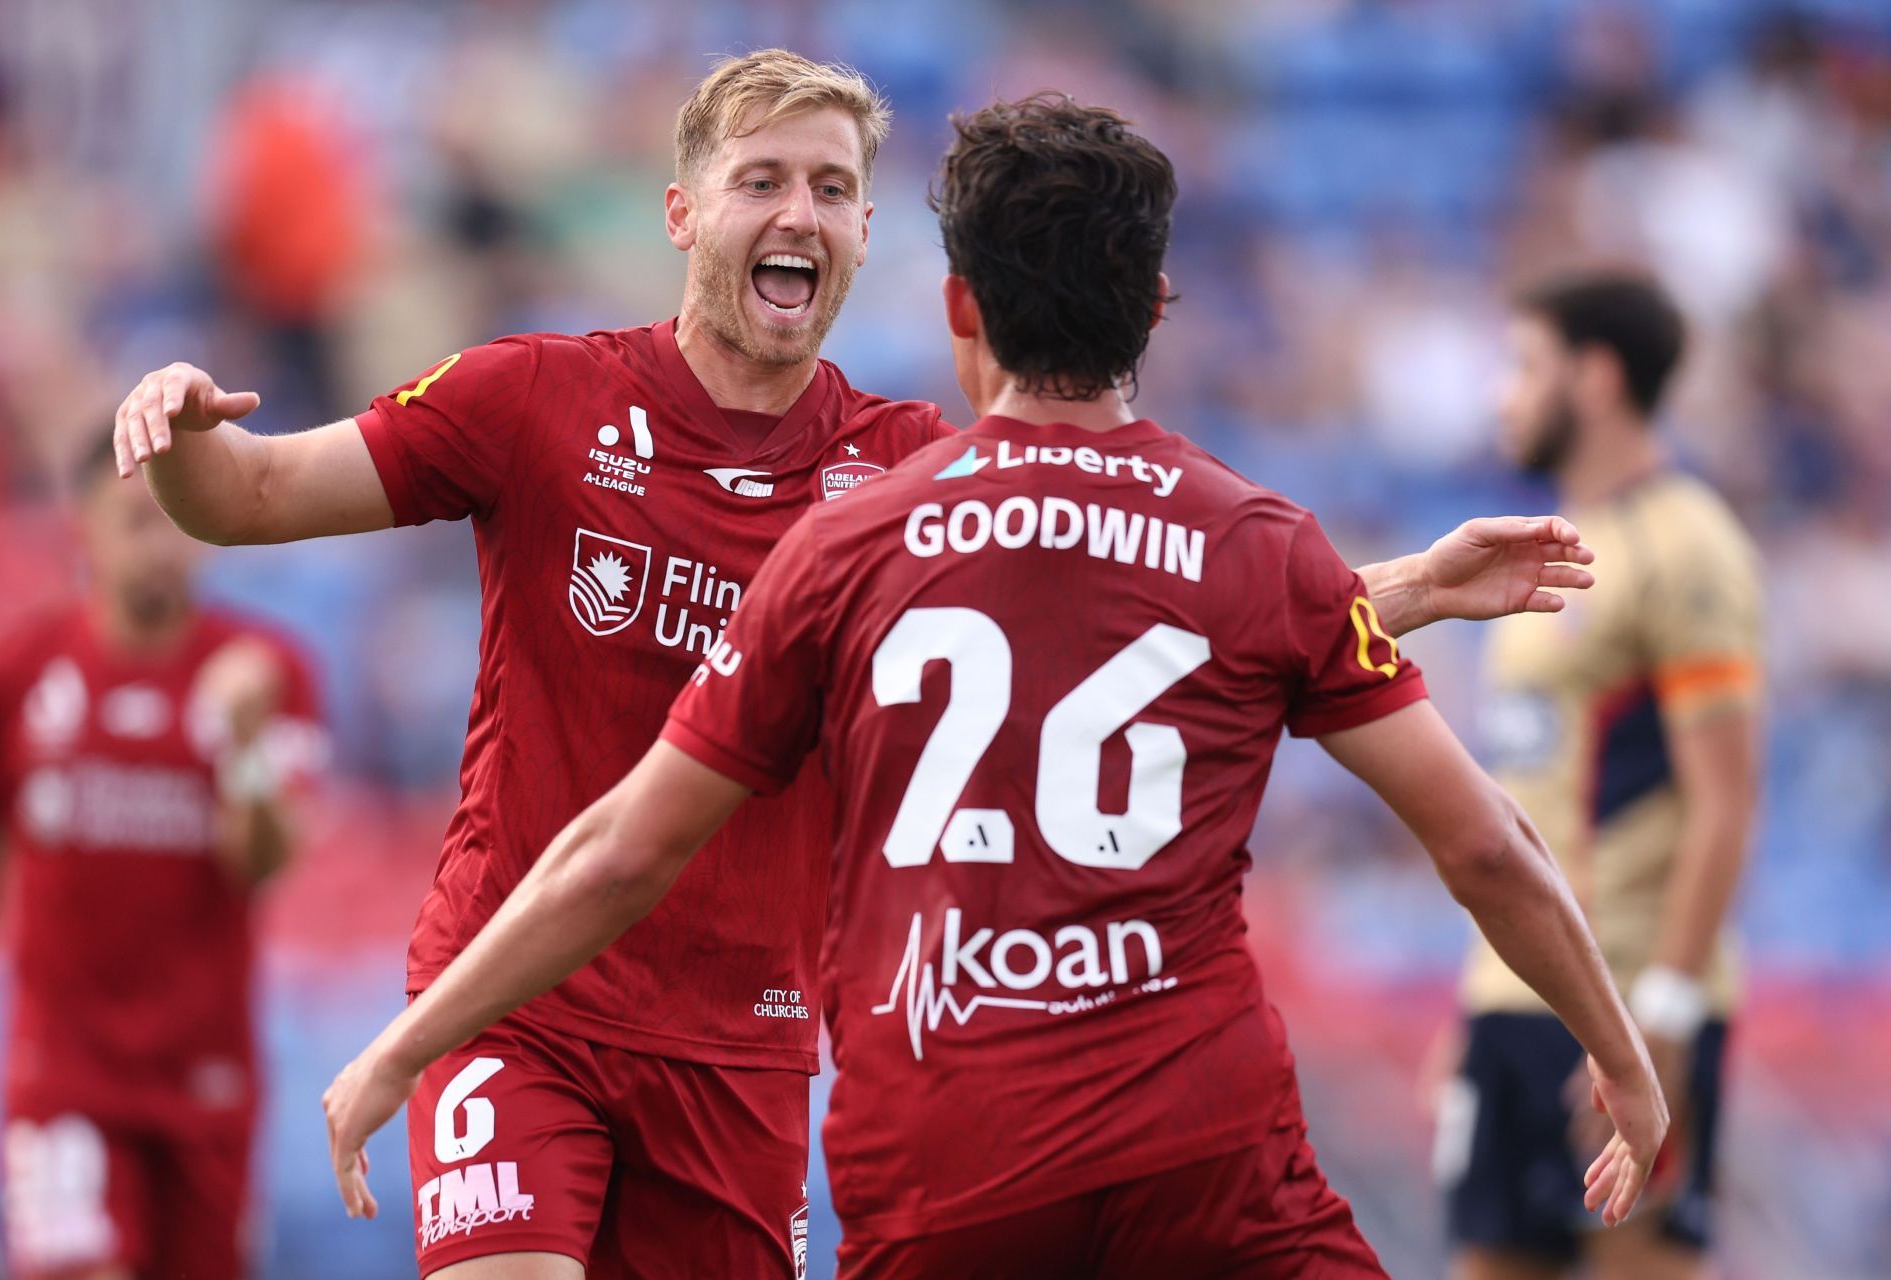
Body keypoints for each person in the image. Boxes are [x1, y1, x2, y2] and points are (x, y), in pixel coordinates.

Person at [118, 50, 1598, 1278]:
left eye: (835, 188)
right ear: (684, 210)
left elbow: (1161, 616)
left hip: (751, 1050)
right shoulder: (535, 399)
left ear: (871, 239)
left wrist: (1402, 588)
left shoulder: (905, 476)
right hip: (523, 1005)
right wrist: (183, 435)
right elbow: (252, 499)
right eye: (765, 179)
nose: (801, 212)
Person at [1436, 272, 1764, 1280]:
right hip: (1516, 998)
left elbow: (1726, 797)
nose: (1505, 395)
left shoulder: (1687, 544)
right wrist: (1474, 1006)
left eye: (1526, 366)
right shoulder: (1545, 547)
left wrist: (1661, 1012)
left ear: (1598, 375)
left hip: (1624, 1002)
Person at [0, 434, 323, 1280]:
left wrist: (241, 747)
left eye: (173, 523)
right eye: (134, 520)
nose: (157, 546)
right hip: (62, 1073)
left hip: (206, 1080)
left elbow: (265, 863)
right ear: (83, 527)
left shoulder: (266, 672)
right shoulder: (14, 677)